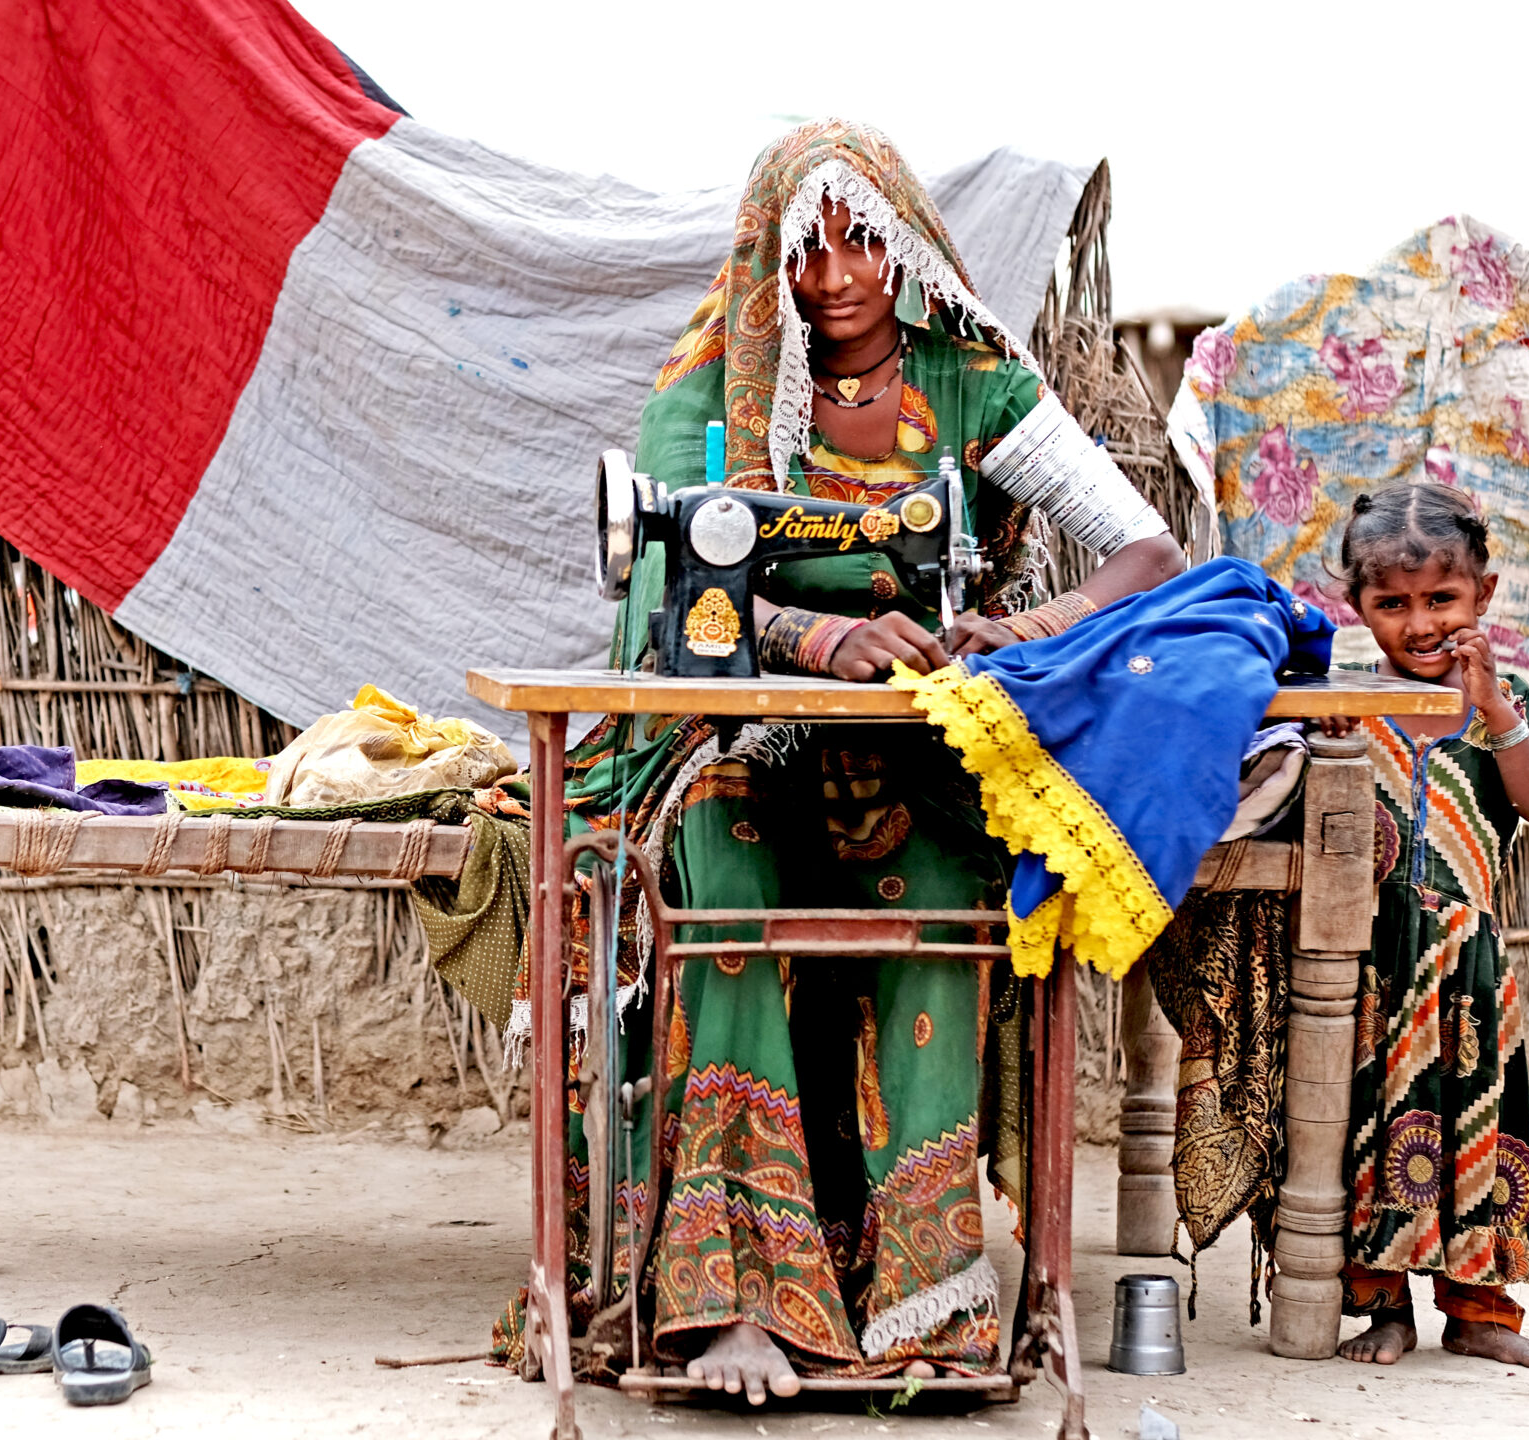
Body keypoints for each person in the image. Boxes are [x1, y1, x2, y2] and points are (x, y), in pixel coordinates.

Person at [492, 119, 1182, 1402]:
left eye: (863, 237)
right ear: (768, 260)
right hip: (732, 746)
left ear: (907, 236)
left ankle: (927, 1300)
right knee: (727, 901)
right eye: (805, 249)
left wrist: (1025, 625)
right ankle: (731, 1301)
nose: (839, 274)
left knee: (944, 904)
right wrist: (815, 635)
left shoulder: (970, 382)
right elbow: (659, 600)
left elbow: (1143, 550)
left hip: (902, 760)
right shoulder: (705, 399)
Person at [1315, 484, 1529, 1370]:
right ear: (1359, 608)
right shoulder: (1345, 704)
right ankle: (1384, 1309)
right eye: (1392, 604)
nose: (1418, 624)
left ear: (1482, 598)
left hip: (1470, 967)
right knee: (1367, 1129)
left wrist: (1497, 713)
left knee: (1479, 1131)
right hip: (1373, 964)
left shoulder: (1509, 704)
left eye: (1440, 600)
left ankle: (1478, 1310)